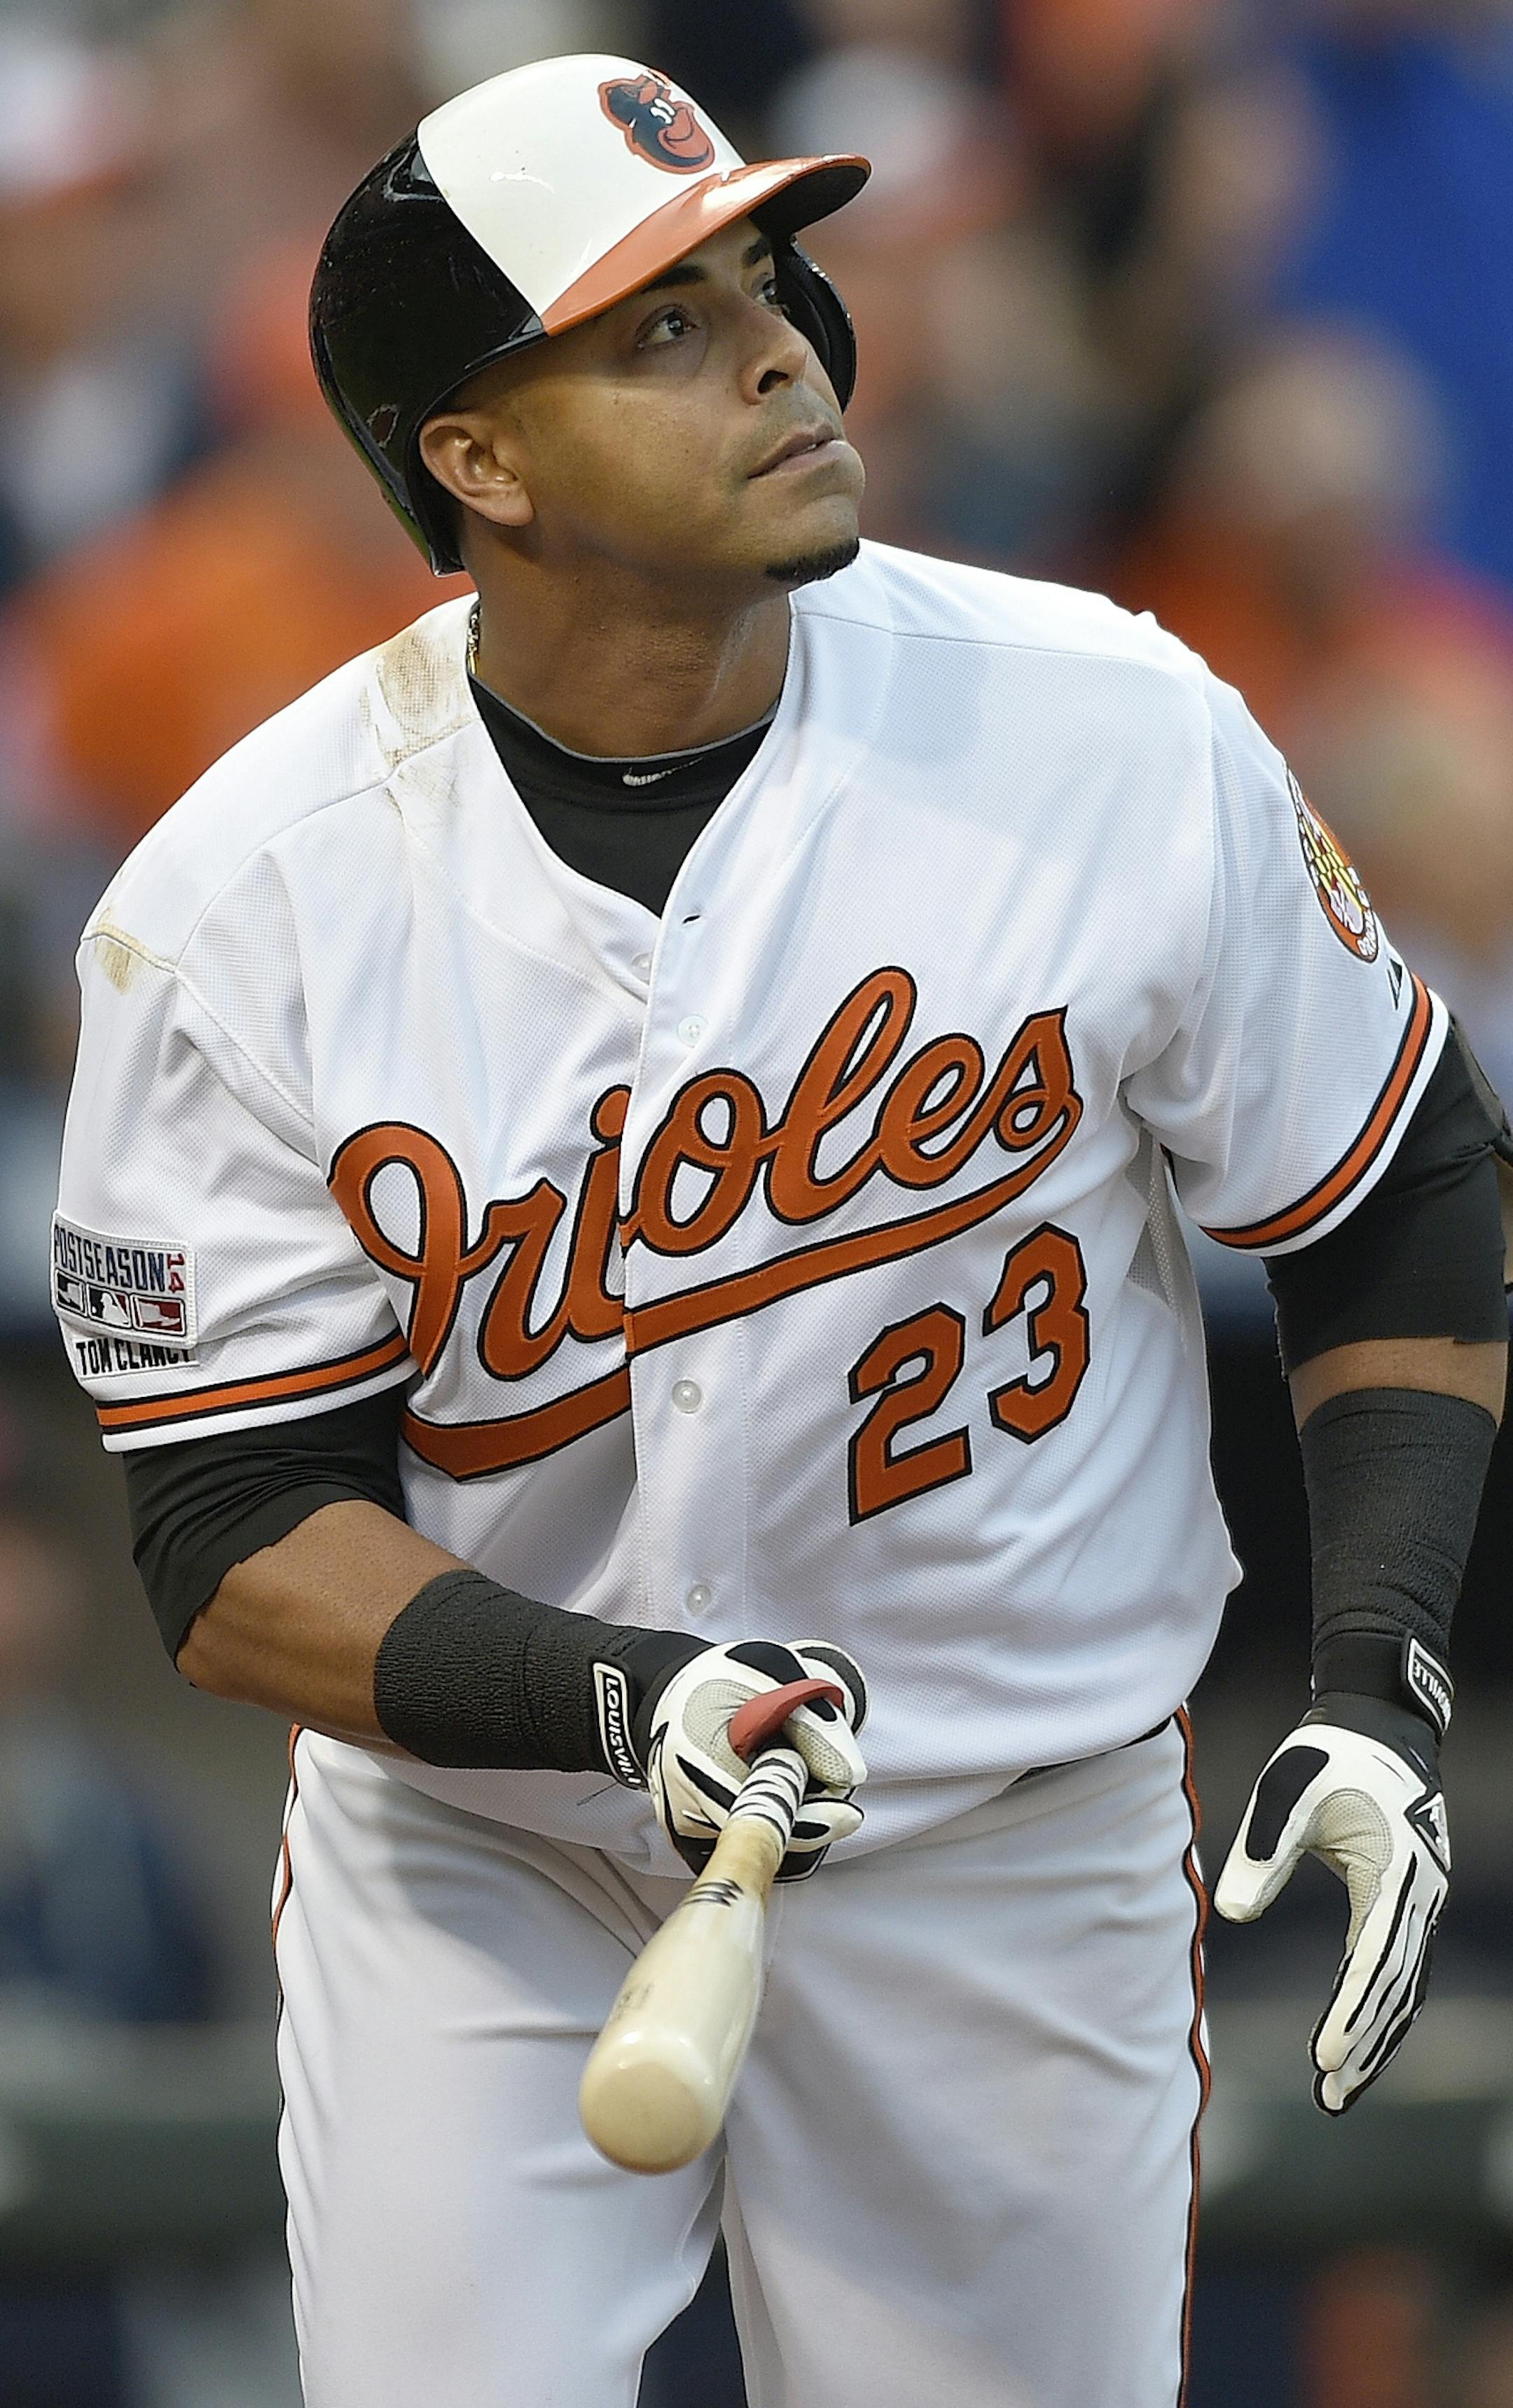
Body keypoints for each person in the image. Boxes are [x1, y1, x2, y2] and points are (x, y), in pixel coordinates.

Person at [50, 52, 1508, 2408]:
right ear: (474, 457)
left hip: (1007, 1831)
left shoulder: (1107, 733)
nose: (780, 351)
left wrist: (1381, 1672)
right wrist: (621, 1703)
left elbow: (1406, 1190)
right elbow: (226, 1536)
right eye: (653, 325)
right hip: (494, 1850)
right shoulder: (245, 905)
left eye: (764, 279)